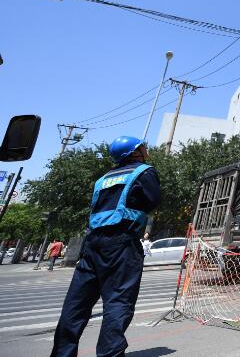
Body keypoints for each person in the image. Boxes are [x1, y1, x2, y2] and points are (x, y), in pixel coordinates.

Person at [52, 136, 161, 357]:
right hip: (121, 243)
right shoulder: (144, 171)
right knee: (118, 301)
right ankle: (110, 354)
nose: (145, 150)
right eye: (142, 147)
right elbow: (153, 200)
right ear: (134, 152)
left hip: (92, 243)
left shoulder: (103, 179)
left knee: (76, 305)